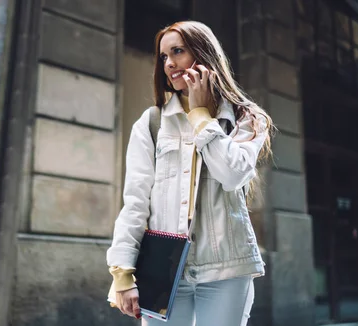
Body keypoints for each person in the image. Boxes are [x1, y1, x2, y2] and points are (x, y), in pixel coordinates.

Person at [106, 21, 274, 326]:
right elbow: (136, 201)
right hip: (162, 267)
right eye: (163, 57)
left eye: (178, 51)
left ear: (204, 53)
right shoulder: (153, 122)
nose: (169, 63)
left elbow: (233, 174)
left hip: (226, 266)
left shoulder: (246, 117)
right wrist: (122, 271)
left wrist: (200, 115)